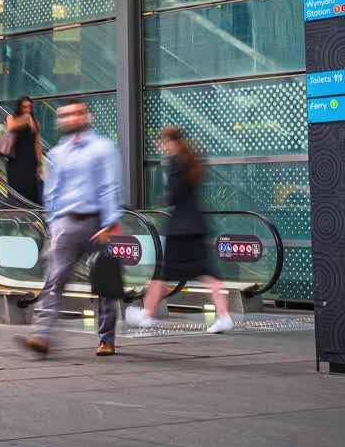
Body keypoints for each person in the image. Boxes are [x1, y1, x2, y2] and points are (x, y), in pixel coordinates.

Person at [20, 100, 123, 357]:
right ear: (61, 121)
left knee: (105, 281)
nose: (72, 118)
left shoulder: (102, 148)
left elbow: (110, 185)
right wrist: (52, 223)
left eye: (77, 113)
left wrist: (111, 222)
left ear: (87, 115)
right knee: (54, 280)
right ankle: (42, 336)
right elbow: (52, 192)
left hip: (97, 221)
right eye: (66, 115)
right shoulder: (57, 153)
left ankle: (106, 339)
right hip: (65, 223)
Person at [125, 126, 234, 334]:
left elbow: (175, 194)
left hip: (180, 228)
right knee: (207, 273)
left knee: (162, 273)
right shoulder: (191, 159)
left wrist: (165, 200)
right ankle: (224, 316)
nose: (160, 146)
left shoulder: (177, 161)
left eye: (161, 142)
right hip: (196, 225)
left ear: (168, 141)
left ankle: (147, 315)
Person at [4, 96, 42, 205]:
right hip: (15, 160)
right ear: (19, 107)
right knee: (16, 189)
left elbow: (37, 144)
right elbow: (11, 127)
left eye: (29, 107)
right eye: (24, 107)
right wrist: (26, 119)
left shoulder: (35, 122)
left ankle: (30, 215)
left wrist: (39, 165)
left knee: (30, 190)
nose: (27, 110)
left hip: (30, 161)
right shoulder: (12, 118)